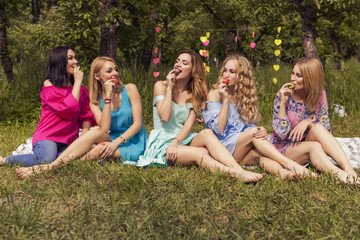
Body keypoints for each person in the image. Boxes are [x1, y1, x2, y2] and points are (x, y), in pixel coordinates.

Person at [136, 50, 264, 182]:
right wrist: (169, 88)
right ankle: (235, 173)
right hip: (162, 141)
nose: (178, 65)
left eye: (184, 63)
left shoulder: (195, 93)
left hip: (182, 139)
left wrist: (176, 142)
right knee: (201, 153)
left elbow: (188, 125)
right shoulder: (160, 86)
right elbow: (164, 117)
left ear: (193, 70)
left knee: (207, 133)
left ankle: (238, 168)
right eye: (177, 61)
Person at [16, 56, 147, 178]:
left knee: (100, 149)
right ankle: (53, 166)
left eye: (116, 70)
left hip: (134, 141)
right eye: (109, 71)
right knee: (95, 130)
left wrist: (114, 144)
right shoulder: (95, 100)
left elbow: (137, 125)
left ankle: (50, 167)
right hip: (112, 136)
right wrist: (107, 97)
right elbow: (105, 128)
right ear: (97, 76)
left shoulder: (130, 89)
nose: (115, 73)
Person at [202, 55, 316, 179]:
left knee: (261, 155)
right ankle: (290, 164)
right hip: (222, 149)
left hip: (240, 149)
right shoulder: (215, 95)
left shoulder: (243, 97)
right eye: (225, 70)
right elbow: (219, 129)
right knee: (254, 134)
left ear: (241, 76)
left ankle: (283, 173)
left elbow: (248, 127)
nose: (226, 75)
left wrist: (261, 130)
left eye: (232, 71)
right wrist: (224, 101)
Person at [0, 46, 95, 167]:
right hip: (49, 135)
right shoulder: (49, 85)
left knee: (68, 159)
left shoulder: (81, 89)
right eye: (70, 58)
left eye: (75, 58)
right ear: (59, 61)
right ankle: (6, 160)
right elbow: (69, 110)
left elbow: (86, 115)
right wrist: (77, 82)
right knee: (46, 159)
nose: (75, 61)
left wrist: (85, 135)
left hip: (69, 138)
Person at [270, 57, 358, 184]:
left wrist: (308, 123)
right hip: (284, 147)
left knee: (317, 128)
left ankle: (349, 169)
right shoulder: (283, 96)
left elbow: (326, 129)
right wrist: (283, 103)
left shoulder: (320, 95)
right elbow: (281, 133)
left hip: (305, 140)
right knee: (314, 146)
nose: (292, 78)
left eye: (298, 75)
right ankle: (339, 175)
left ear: (310, 78)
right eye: (293, 73)